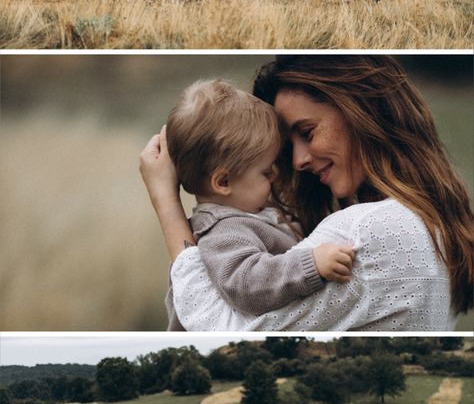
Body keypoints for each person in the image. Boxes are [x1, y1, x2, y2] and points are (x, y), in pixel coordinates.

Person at [140, 55, 474, 332]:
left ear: (360, 111)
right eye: (289, 148)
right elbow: (243, 284)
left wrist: (167, 205)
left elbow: (219, 331)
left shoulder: (368, 230)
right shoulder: (435, 227)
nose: (297, 162)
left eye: (307, 132)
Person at [164, 79, 355, 330]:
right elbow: (245, 283)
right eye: (265, 172)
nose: (275, 176)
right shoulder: (224, 230)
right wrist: (309, 265)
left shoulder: (244, 216)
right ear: (223, 181)